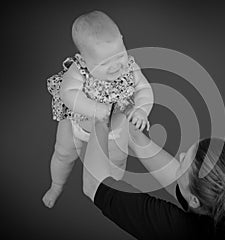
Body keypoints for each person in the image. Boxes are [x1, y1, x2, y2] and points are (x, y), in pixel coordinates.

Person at [82, 119, 225, 240]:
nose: (179, 157)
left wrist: (99, 118)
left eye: (183, 163)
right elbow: (182, 179)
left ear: (195, 201)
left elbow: (94, 185)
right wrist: (132, 133)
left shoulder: (179, 232)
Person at [43, 10, 153, 208]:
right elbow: (67, 93)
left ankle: (113, 190)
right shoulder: (79, 70)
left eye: (119, 55)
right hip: (78, 125)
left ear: (122, 41)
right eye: (104, 62)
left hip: (114, 129)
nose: (115, 66)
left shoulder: (130, 67)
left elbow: (144, 89)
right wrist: (95, 109)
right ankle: (56, 184)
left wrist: (142, 110)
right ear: (83, 60)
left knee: (118, 160)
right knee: (62, 153)